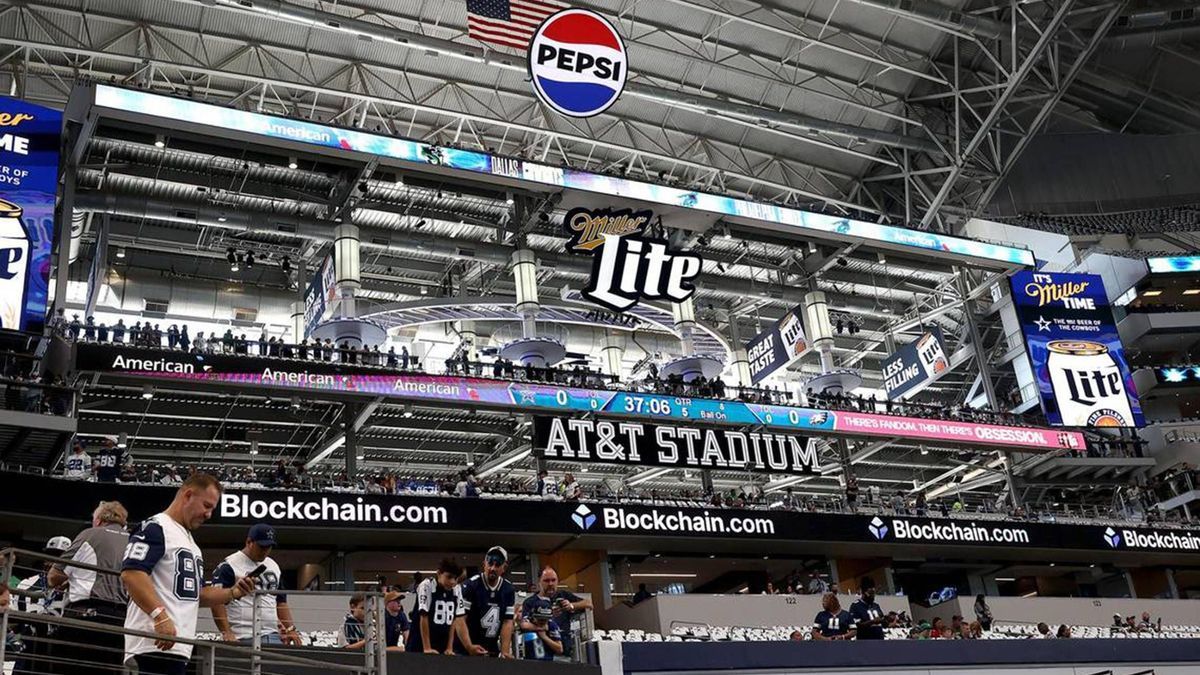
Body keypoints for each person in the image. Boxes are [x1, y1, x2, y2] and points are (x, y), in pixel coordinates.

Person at [121, 473, 256, 674]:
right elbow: (132, 573)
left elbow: (197, 595)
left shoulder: (189, 542)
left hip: (177, 644)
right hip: (154, 642)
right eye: (207, 505)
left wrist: (232, 592)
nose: (209, 514)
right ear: (188, 495)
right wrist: (160, 617)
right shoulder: (155, 527)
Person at [48, 501, 131, 675]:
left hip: (85, 616)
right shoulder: (133, 541)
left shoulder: (90, 534)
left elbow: (54, 576)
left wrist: (70, 579)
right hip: (121, 620)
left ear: (100, 520)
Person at [210, 524, 300, 645]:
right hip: (243, 635)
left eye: (269, 547)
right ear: (249, 542)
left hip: (272, 634)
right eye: (262, 546)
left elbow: (280, 601)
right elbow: (216, 602)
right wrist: (227, 632)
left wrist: (290, 629)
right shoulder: (230, 565)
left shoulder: (273, 565)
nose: (265, 551)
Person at [405, 558, 479, 655]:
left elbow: (453, 620)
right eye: (449, 577)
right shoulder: (427, 585)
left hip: (441, 645)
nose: (452, 582)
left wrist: (449, 647)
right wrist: (427, 648)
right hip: (419, 645)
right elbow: (423, 616)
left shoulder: (456, 589)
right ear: (439, 573)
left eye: (455, 578)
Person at [520, 566, 592, 660]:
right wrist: (544, 624)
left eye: (553, 580)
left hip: (564, 652)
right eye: (546, 580)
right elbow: (523, 624)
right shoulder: (530, 602)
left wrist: (571, 605)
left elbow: (588, 603)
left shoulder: (563, 595)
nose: (550, 584)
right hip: (540, 653)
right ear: (539, 582)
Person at [460, 546, 516, 657]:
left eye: (497, 565)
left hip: (491, 648)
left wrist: (504, 652)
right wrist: (468, 646)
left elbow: (507, 622)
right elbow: (460, 619)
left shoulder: (508, 589)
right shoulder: (471, 585)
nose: (492, 568)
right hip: (466, 647)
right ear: (484, 564)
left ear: (504, 567)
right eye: (490, 564)